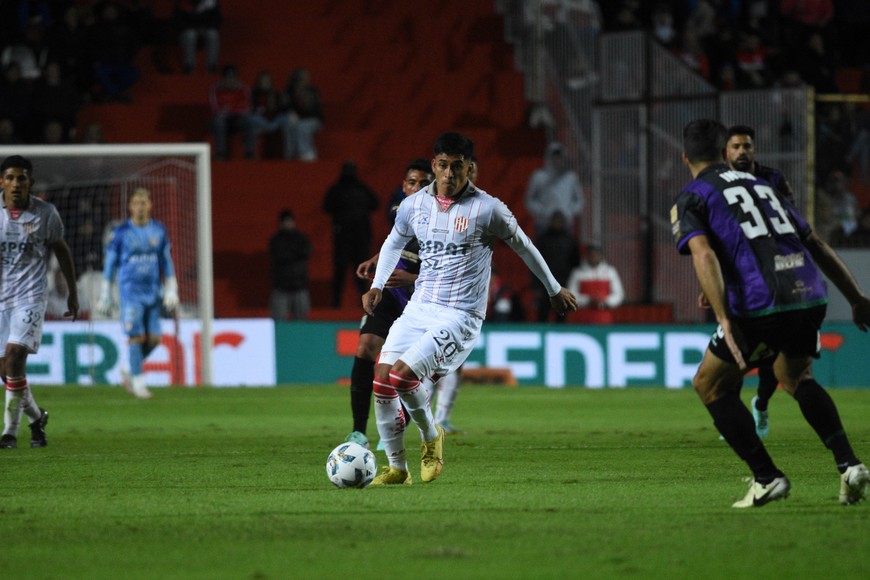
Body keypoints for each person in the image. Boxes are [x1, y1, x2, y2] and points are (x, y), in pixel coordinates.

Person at [671, 118, 870, 508]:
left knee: (709, 385)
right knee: (794, 376)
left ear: (685, 158)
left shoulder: (692, 196)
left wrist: (725, 317)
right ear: (723, 152)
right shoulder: (764, 185)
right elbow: (813, 242)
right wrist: (858, 297)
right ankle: (849, 464)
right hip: (810, 294)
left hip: (762, 303)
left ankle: (767, 477)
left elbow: (704, 253)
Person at [362, 132, 577, 485]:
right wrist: (376, 286)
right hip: (420, 308)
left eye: (457, 167)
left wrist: (553, 289)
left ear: (470, 168)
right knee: (382, 381)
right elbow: (392, 243)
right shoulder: (414, 205)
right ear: (434, 165)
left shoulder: (488, 209)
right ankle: (398, 468)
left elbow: (524, 246)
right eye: (443, 165)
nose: (449, 174)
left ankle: (432, 436)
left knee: (402, 376)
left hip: (460, 315)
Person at [344, 158, 432, 449]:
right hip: (391, 296)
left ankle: (399, 424)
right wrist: (375, 261)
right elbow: (394, 244)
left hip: (422, 301)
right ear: (403, 186)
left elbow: (448, 272)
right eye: (411, 182)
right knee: (365, 346)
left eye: (423, 182)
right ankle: (358, 431)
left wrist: (411, 278)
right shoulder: (401, 212)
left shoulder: (445, 219)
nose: (416, 187)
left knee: (404, 368)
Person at [723, 124, 797, 438]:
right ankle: (734, 419)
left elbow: (791, 222)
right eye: (736, 146)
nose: (742, 151)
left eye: (747, 146)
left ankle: (762, 404)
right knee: (732, 352)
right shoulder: (718, 184)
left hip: (776, 279)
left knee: (770, 361)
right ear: (726, 152)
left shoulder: (774, 179)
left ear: (754, 149)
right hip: (739, 279)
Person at [0, 155, 79, 449]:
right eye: (10, 178)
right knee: (8, 373)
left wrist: (73, 290)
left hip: (31, 297)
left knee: (15, 357)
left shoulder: (46, 213)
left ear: (30, 182)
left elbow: (61, 249)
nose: (16, 184)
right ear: (2, 182)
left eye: (22, 178)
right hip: (1, 300)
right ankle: (36, 418)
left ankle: (9, 432)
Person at [97, 188, 179, 400]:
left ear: (150, 205)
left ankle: (129, 368)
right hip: (130, 294)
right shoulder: (122, 232)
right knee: (135, 337)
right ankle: (138, 382)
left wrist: (171, 288)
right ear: (130, 206)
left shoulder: (158, 230)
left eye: (144, 202)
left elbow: (166, 261)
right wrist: (105, 293)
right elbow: (110, 264)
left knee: (154, 339)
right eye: (136, 203)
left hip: (153, 292)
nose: (140, 207)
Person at [323, 161, 379, 308]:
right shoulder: (358, 189)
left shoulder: (339, 190)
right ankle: (340, 304)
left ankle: (353, 303)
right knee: (347, 272)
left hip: (353, 238)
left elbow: (375, 203)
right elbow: (327, 206)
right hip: (350, 238)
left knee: (355, 272)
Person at [525, 141, 584, 239]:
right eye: (554, 156)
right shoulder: (538, 176)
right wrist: (542, 211)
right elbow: (529, 200)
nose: (557, 159)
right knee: (542, 253)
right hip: (544, 223)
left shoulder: (570, 177)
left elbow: (579, 200)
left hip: (565, 223)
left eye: (559, 156)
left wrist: (568, 212)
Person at [534, 210, 581, 322]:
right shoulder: (543, 240)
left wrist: (572, 283)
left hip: (564, 282)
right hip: (544, 282)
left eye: (560, 221)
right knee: (543, 313)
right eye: (556, 221)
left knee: (562, 313)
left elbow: (575, 263)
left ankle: (560, 338)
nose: (557, 224)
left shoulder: (570, 240)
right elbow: (535, 262)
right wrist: (536, 285)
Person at [268, 209, 311, 321]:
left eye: (290, 221)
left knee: (301, 321)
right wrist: (294, 254)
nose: (288, 224)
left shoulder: (302, 239)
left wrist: (289, 254)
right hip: (281, 287)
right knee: (279, 320)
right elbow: (279, 255)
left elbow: (306, 251)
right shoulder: (276, 240)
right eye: (286, 222)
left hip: (300, 286)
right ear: (281, 224)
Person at [566, 244, 624, 324]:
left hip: (605, 318)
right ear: (586, 256)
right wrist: (588, 300)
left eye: (596, 254)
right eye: (591, 255)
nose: (594, 257)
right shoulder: (577, 273)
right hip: (582, 318)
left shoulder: (610, 272)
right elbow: (570, 295)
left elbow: (619, 294)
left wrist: (605, 302)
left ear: (601, 255)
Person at [245, 70, 294, 160]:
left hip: (274, 121)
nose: (265, 83)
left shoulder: (277, 94)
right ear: (259, 82)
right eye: (263, 80)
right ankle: (249, 154)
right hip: (260, 121)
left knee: (287, 119)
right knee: (251, 119)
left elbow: (284, 109)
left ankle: (290, 154)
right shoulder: (253, 94)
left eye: (267, 80)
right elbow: (250, 110)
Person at [208, 64, 251, 160]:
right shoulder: (215, 88)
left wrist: (229, 109)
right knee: (218, 122)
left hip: (237, 119)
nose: (230, 81)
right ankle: (221, 154)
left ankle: (249, 154)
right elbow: (215, 109)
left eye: (232, 78)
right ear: (223, 79)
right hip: (220, 119)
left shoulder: (243, 88)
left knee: (250, 120)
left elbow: (247, 108)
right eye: (227, 78)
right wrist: (230, 109)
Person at [283, 67, 323, 161]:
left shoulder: (312, 90)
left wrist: (302, 117)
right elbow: (286, 106)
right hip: (297, 118)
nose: (307, 79)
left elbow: (316, 109)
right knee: (288, 124)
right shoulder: (290, 91)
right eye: (305, 77)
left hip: (313, 119)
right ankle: (291, 153)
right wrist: (291, 114)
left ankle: (306, 152)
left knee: (301, 126)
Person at [175, 0, 221, 74]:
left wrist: (205, 28)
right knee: (190, 35)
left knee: (213, 34)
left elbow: (217, 20)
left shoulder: (212, 3)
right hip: (187, 31)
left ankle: (211, 65)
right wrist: (194, 28)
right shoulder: (182, 3)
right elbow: (178, 21)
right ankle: (189, 65)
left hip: (206, 29)